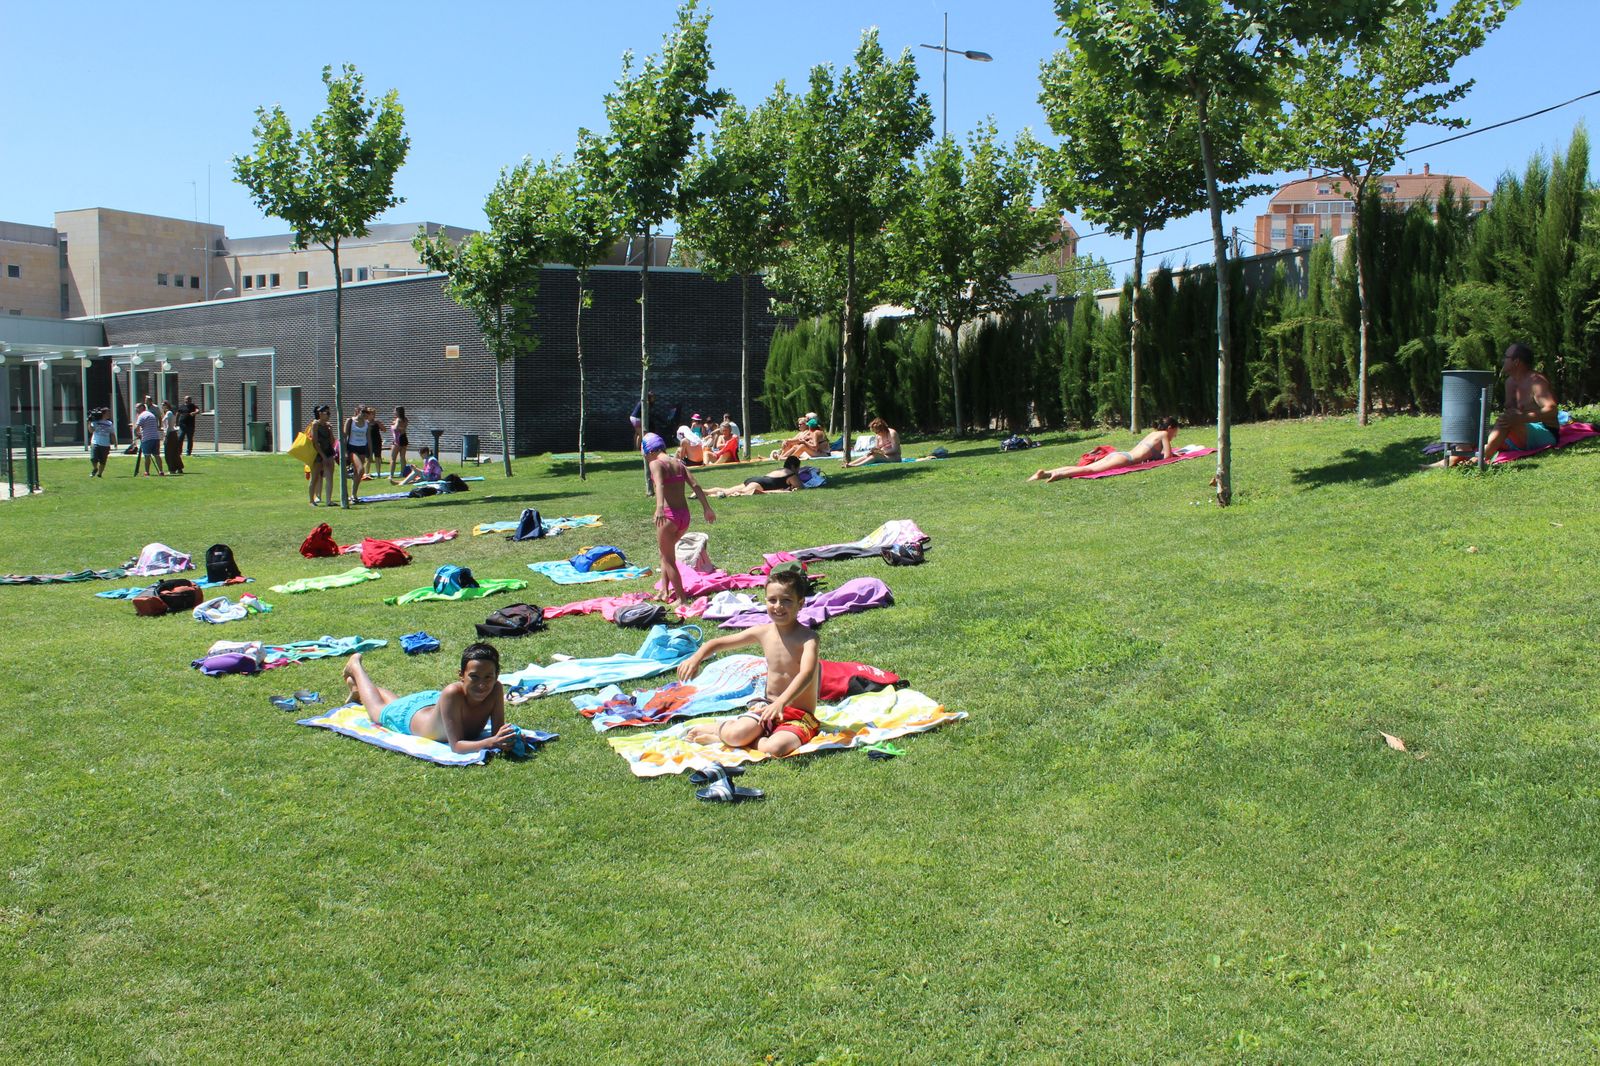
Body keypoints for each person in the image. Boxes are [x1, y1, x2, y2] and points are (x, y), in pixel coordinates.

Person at [681, 568, 821, 758]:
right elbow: (717, 643)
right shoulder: (763, 632)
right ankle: (721, 731)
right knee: (736, 734)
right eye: (772, 600)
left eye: (786, 600)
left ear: (801, 603)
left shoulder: (808, 638)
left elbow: (806, 674)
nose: (778, 606)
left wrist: (781, 702)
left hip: (798, 715)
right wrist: (695, 658)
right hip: (767, 707)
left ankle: (740, 740)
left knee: (777, 748)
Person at [344, 644, 518, 755]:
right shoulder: (452, 693)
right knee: (378, 710)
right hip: (412, 717)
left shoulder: (496, 688)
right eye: (474, 677)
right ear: (461, 676)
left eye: (488, 677)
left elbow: (498, 733)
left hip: (433, 704)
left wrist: (506, 738)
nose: (482, 685)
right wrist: (491, 742)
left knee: (394, 703)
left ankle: (356, 688)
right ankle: (355, 668)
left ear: (497, 676)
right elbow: (456, 746)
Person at [1429, 342, 1560, 467]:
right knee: (1476, 431)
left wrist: (1520, 418)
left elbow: (1552, 409)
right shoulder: (1510, 382)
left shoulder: (1536, 381)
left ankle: (1479, 460)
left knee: (1505, 420)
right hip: (1519, 434)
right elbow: (1511, 412)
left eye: (1506, 357)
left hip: (1545, 433)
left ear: (1516, 362)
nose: (1503, 360)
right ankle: (1453, 458)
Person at [645, 432, 715, 608]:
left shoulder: (655, 463)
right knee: (665, 553)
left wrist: (659, 508)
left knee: (668, 558)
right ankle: (664, 590)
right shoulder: (678, 463)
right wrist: (707, 508)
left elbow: (659, 484)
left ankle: (681, 599)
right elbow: (696, 485)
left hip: (669, 517)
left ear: (650, 451)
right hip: (684, 516)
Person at [1028, 417, 1180, 482]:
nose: (1175, 435)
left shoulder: (1153, 433)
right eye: (1175, 431)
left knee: (1088, 467)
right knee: (1090, 470)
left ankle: (1045, 473)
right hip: (1126, 459)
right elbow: (1167, 458)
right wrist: (1176, 455)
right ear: (1170, 428)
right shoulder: (1164, 435)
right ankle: (1059, 474)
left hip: (1120, 454)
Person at [705, 455, 804, 497]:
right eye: (798, 468)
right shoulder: (791, 475)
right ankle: (715, 495)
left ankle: (704, 492)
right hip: (760, 484)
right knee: (739, 493)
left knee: (727, 490)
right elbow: (801, 487)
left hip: (756, 480)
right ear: (793, 466)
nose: (798, 471)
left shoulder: (780, 470)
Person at [308, 404, 336, 506]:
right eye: (327, 413)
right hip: (318, 454)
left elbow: (332, 441)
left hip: (328, 451)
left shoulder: (327, 426)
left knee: (329, 476)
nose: (329, 415)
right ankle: (311, 501)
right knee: (315, 477)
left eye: (329, 413)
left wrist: (330, 430)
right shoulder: (315, 425)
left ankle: (329, 500)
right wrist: (323, 456)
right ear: (320, 414)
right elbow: (315, 442)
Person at [343, 406, 371, 495]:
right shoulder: (350, 421)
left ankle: (353, 494)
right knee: (361, 469)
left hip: (362, 448)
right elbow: (344, 437)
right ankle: (349, 492)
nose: (365, 414)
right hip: (352, 448)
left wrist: (370, 452)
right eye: (363, 411)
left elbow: (368, 438)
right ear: (358, 411)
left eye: (367, 412)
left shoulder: (367, 423)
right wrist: (344, 451)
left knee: (357, 472)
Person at [132, 402, 165, 477]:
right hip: (156, 438)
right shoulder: (151, 414)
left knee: (147, 456)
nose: (136, 410)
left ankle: (147, 472)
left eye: (137, 408)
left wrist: (136, 434)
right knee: (157, 455)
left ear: (142, 408)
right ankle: (161, 471)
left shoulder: (142, 416)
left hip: (147, 438)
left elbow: (136, 428)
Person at [86, 407, 113, 478]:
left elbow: (112, 433)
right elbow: (91, 431)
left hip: (105, 444)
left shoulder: (109, 423)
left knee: (103, 460)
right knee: (93, 458)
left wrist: (115, 443)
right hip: (95, 442)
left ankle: (99, 474)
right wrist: (89, 422)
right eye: (108, 413)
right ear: (103, 414)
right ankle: (95, 468)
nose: (109, 414)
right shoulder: (95, 421)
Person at [160, 401, 185, 475]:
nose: (162, 406)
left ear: (167, 405)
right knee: (174, 452)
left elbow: (168, 426)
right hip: (171, 433)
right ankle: (179, 468)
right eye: (162, 405)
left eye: (164, 405)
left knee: (169, 453)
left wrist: (165, 436)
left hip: (170, 434)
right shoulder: (167, 413)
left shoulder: (169, 413)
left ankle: (172, 469)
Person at [386, 405, 409, 478]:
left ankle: (391, 475)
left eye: (395, 411)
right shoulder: (405, 419)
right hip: (404, 438)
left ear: (398, 412)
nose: (394, 412)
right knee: (402, 457)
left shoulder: (398, 419)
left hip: (397, 439)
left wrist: (392, 425)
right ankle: (402, 473)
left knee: (393, 458)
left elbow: (396, 428)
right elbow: (404, 427)